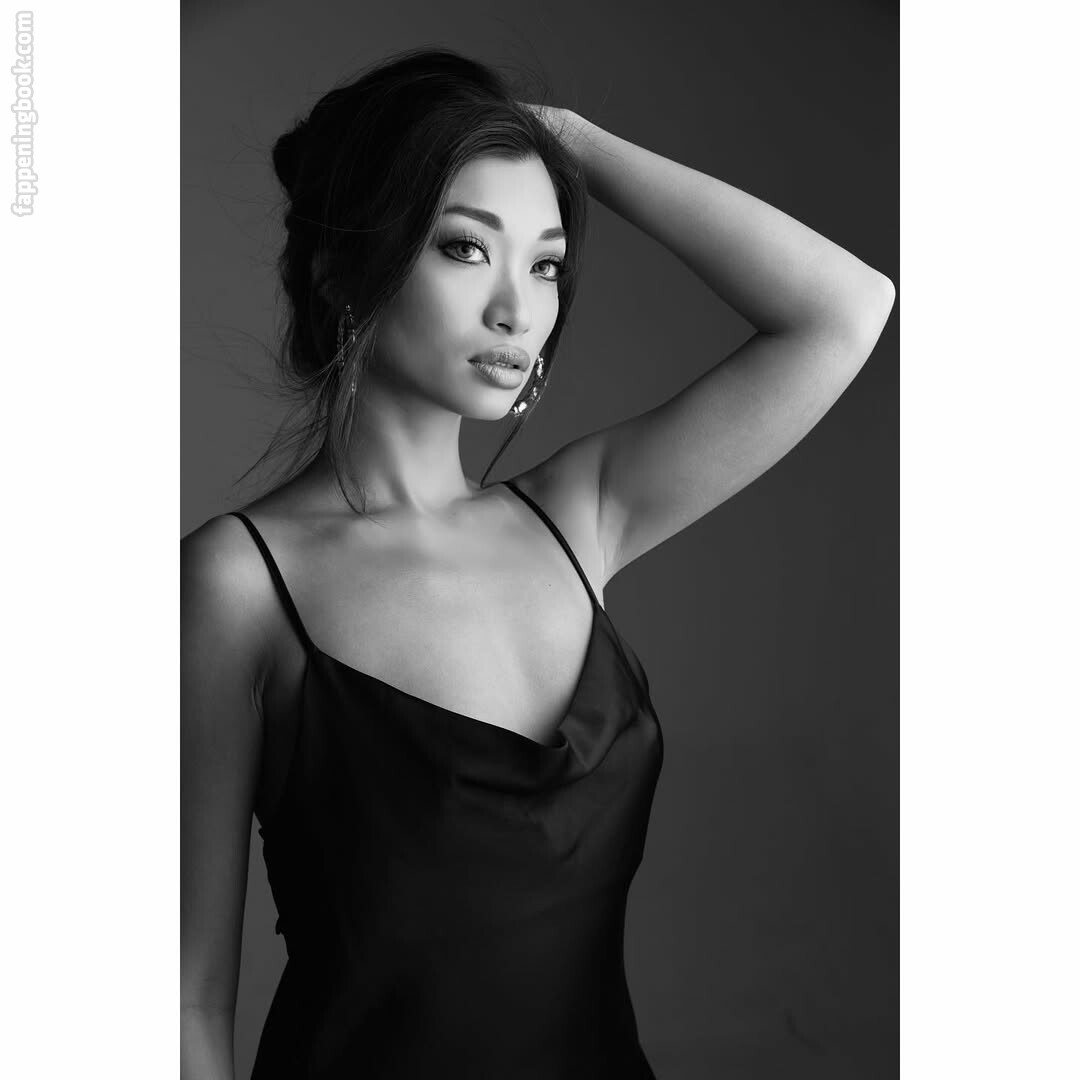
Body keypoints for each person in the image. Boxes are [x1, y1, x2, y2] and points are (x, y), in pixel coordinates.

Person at [180, 46, 894, 1080]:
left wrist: (568, 139)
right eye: (466, 248)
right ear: (341, 268)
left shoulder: (579, 518)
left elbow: (845, 308)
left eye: (547, 263)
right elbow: (185, 997)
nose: (518, 310)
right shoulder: (239, 582)